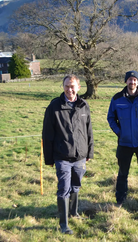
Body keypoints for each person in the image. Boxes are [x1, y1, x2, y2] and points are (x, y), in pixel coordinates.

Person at [42, 74, 94, 234]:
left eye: (72, 86)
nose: (69, 89)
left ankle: (74, 213)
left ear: (78, 87)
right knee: (64, 188)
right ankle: (64, 224)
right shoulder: (54, 107)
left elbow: (89, 131)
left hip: (80, 156)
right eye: (66, 86)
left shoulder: (84, 105)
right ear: (63, 87)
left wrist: (89, 152)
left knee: (76, 186)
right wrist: (49, 158)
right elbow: (47, 134)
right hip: (62, 156)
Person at [107, 70, 138, 208]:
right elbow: (111, 117)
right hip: (124, 143)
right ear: (126, 81)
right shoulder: (117, 99)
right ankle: (121, 199)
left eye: (135, 79)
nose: (132, 82)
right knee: (122, 172)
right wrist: (119, 132)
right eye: (130, 79)